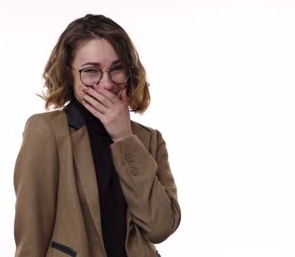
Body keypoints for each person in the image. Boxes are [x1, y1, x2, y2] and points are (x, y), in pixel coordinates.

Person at [13, 14, 181, 257]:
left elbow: (161, 227)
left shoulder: (149, 139)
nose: (106, 83)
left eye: (117, 69)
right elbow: (31, 238)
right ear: (68, 74)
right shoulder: (46, 132)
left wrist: (124, 138)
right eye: (91, 71)